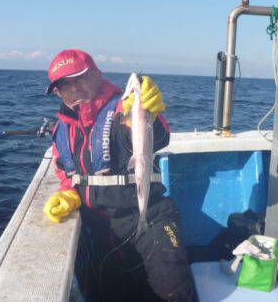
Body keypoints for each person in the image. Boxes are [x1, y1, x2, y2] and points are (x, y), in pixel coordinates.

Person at [42, 49, 195, 302]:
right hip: (101, 228)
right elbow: (65, 172)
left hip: (151, 218)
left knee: (174, 293)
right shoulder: (61, 130)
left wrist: (148, 113)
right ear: (57, 92)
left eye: (79, 78)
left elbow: (158, 136)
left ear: (98, 74)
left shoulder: (124, 109)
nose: (74, 89)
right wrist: (68, 192)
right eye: (64, 85)